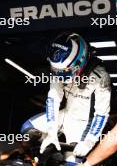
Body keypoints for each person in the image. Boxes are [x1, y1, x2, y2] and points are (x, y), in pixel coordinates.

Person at [15, 32, 111, 165]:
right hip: (66, 113)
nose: (60, 75)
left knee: (73, 163)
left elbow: (101, 114)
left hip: (84, 124)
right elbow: (53, 98)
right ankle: (42, 155)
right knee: (27, 130)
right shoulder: (58, 69)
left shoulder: (101, 76)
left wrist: (89, 141)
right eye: (56, 70)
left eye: (64, 71)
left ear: (80, 60)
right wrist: (51, 130)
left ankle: (59, 156)